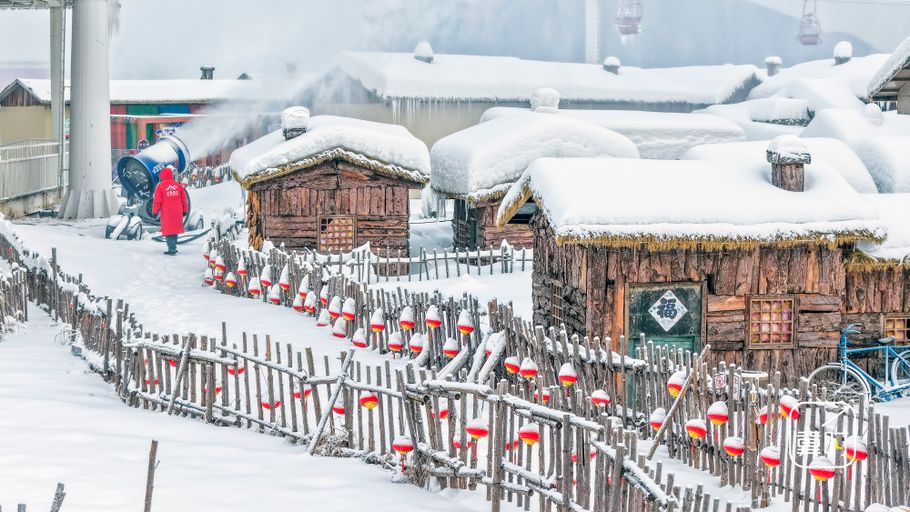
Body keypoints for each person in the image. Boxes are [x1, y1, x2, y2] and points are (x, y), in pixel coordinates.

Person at [151, 166, 188, 255]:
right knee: (174, 230)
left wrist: (155, 212)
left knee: (168, 231)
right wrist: (185, 210)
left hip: (167, 213)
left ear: (162, 176)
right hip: (178, 212)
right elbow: (184, 199)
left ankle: (171, 249)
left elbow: (157, 201)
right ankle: (173, 246)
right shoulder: (178, 186)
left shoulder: (160, 187)